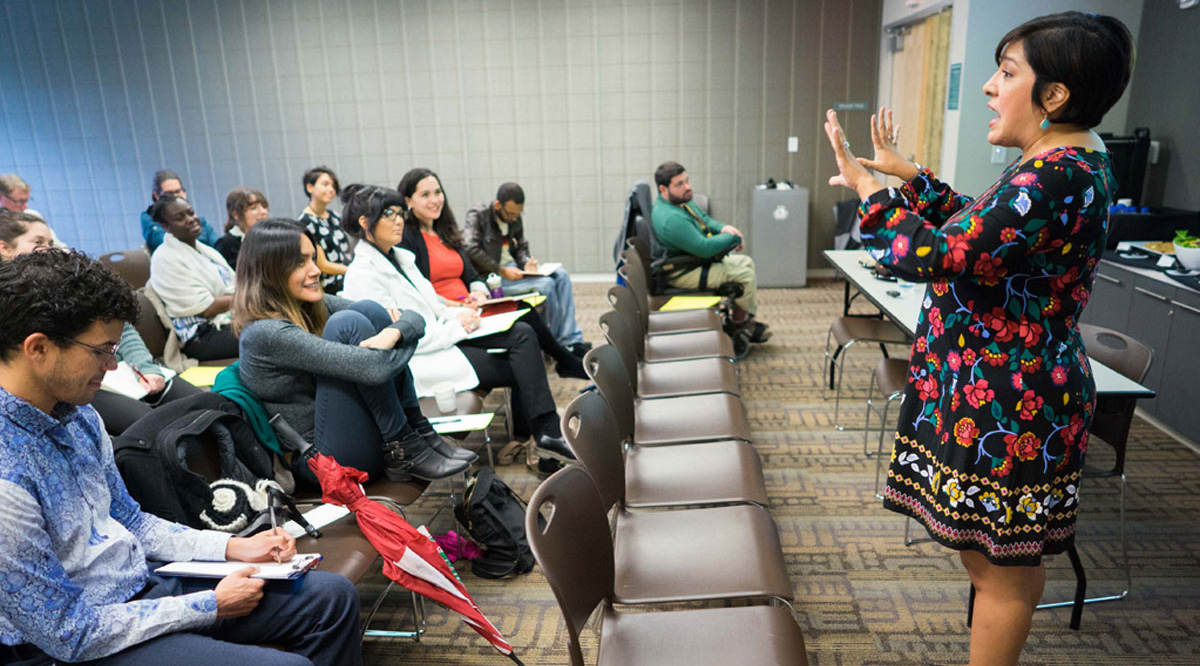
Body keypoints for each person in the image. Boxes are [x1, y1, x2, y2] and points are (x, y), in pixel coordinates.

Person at [822, 12, 1134, 666]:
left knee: (1001, 569)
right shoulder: (1058, 162)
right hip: (997, 395)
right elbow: (984, 230)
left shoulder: (1058, 172)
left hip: (1010, 402)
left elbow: (940, 256)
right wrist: (914, 179)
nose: (990, 88)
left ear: (1055, 96)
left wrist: (871, 191)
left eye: (1008, 73)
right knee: (994, 560)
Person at [0, 248, 362, 666]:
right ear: (38, 348)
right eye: (101, 350)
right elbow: (68, 632)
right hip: (71, 643)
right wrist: (208, 605)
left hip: (135, 587)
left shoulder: (77, 415)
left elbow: (130, 520)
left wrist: (231, 546)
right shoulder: (8, 479)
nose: (114, 364)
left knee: (330, 599)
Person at [339, 185, 574, 477]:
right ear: (365, 222)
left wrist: (458, 314)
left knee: (523, 334)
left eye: (400, 213)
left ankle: (545, 434)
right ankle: (546, 434)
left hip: (442, 341)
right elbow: (401, 339)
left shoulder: (400, 258)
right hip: (421, 363)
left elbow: (430, 305)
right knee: (523, 358)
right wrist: (457, 327)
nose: (399, 220)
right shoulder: (362, 275)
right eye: (390, 214)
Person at [234, 219, 473, 487]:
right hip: (320, 461)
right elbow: (375, 370)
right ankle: (404, 441)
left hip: (351, 437)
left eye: (313, 259)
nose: (316, 271)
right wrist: (404, 341)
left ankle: (416, 430)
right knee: (348, 323)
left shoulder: (307, 305)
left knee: (370, 309)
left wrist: (394, 334)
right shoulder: (265, 334)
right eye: (300, 263)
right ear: (270, 271)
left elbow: (414, 318)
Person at [0, 209, 202, 435]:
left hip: (118, 373)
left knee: (205, 404)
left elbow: (122, 331)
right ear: (5, 248)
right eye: (38, 242)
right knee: (151, 426)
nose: (48, 248)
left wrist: (144, 367)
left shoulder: (68, 281)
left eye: (50, 241)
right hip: (71, 385)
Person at [395, 168, 587, 380]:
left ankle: (567, 353)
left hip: (473, 302)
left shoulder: (445, 232)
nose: (435, 199)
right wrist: (459, 305)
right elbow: (421, 293)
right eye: (425, 195)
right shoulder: (407, 241)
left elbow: (472, 274)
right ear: (408, 201)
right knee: (525, 329)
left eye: (438, 192)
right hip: (453, 311)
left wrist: (480, 293)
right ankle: (565, 359)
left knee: (530, 306)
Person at [651, 161, 771, 343]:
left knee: (746, 262)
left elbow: (705, 220)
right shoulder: (671, 218)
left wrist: (725, 229)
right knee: (744, 274)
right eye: (680, 184)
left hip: (693, 261)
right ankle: (741, 327)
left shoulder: (681, 202)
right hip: (682, 271)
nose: (687, 187)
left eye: (687, 181)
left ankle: (741, 320)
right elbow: (705, 248)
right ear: (663, 189)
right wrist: (733, 238)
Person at [463, 182, 588, 354]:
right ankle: (557, 346)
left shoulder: (514, 217)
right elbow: (470, 248)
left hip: (514, 271)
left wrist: (526, 263)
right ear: (498, 205)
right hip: (494, 278)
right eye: (511, 214)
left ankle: (570, 339)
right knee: (547, 286)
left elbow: (520, 246)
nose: (514, 218)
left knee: (561, 275)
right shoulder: (478, 215)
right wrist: (501, 270)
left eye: (518, 214)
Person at [147, 196, 240, 361]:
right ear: (166, 227)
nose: (190, 219)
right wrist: (248, 298)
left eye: (191, 213)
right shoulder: (165, 259)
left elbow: (233, 287)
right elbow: (207, 307)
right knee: (267, 335)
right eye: (180, 218)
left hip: (226, 320)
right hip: (201, 336)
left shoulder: (204, 250)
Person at [298, 166, 352, 294]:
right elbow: (322, 264)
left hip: (346, 276)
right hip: (329, 284)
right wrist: (352, 270)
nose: (331, 190)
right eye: (325, 184)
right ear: (310, 187)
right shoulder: (305, 222)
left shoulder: (334, 216)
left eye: (333, 186)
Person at [140, 170, 220, 252]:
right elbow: (168, 244)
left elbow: (218, 245)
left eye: (178, 191)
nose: (175, 196)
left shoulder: (196, 219)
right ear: (156, 195)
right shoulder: (149, 218)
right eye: (169, 193)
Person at [216, 186, 270, 269]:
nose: (263, 212)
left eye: (264, 206)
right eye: (253, 208)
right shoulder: (226, 244)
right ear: (236, 215)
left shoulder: (271, 237)